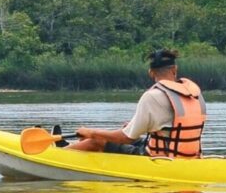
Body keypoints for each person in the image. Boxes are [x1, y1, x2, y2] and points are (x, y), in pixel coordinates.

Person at [69, 49, 207, 158]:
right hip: (190, 156)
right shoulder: (195, 94)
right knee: (109, 136)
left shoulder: (151, 96)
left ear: (151, 73)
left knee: (97, 141)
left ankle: (54, 155)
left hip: (158, 158)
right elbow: (170, 126)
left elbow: (126, 138)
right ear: (174, 69)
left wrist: (91, 132)